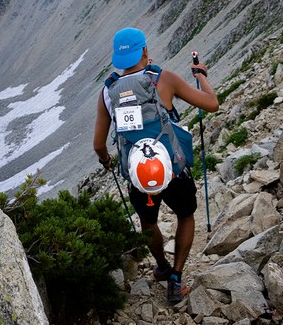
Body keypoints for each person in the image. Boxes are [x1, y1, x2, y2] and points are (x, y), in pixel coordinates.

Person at [93, 27, 218, 304]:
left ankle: (161, 267)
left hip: (138, 177)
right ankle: (176, 279)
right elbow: (212, 104)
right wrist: (201, 76)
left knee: (148, 221)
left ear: (117, 59)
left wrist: (106, 161)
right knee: (185, 215)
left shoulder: (108, 91)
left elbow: (99, 145)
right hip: (172, 170)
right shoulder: (164, 79)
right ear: (145, 52)